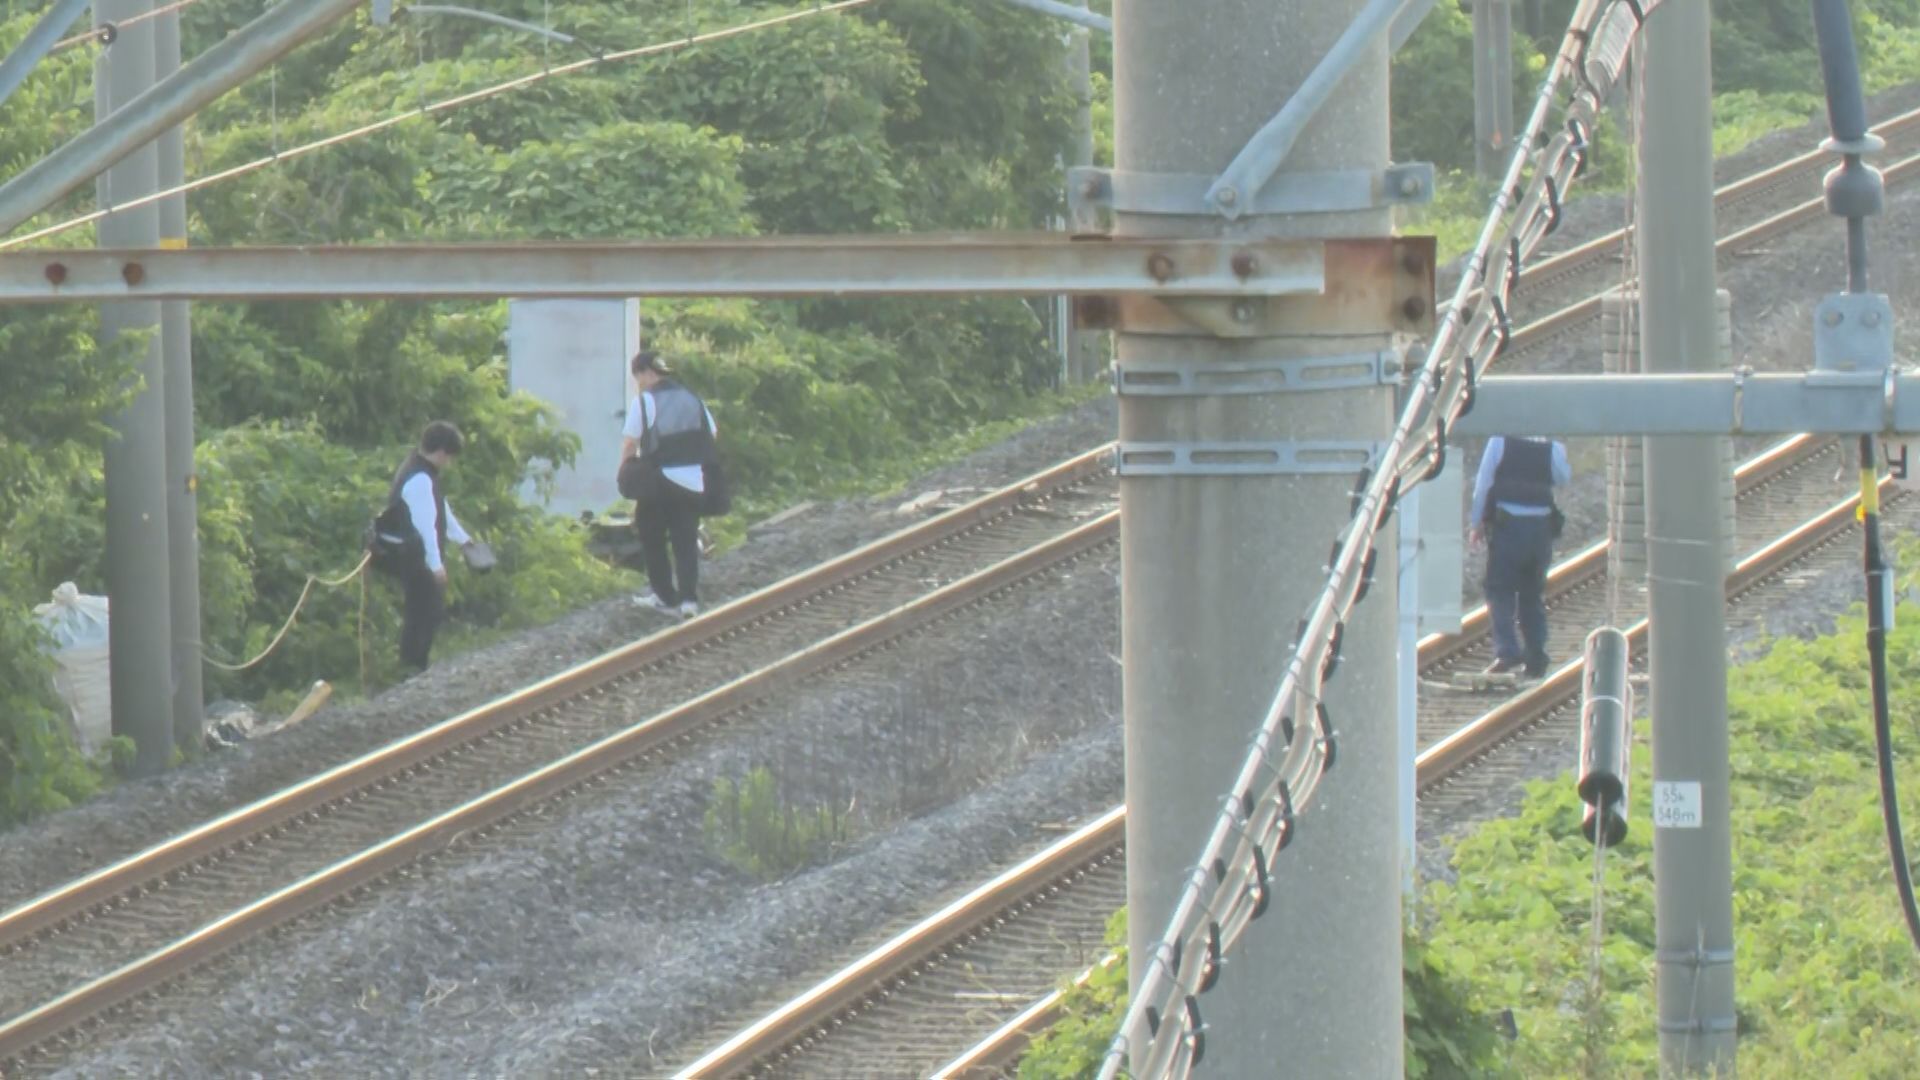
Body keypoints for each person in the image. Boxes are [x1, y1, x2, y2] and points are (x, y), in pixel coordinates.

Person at [623, 350, 718, 619]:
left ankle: (664, 595)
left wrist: (625, 469)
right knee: (685, 540)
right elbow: (711, 432)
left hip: (660, 482)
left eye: (638, 376)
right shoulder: (691, 398)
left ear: (645, 373)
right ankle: (688, 600)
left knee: (651, 536)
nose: (638, 382)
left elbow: (630, 442)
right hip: (693, 481)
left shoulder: (645, 401)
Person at [1469, 434, 1571, 679]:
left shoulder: (1499, 441)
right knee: (1531, 593)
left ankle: (1507, 652)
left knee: (1499, 589)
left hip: (1508, 527)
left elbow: (1483, 484)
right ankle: (1536, 656)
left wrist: (1476, 523)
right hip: (1540, 529)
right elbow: (1563, 478)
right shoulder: (1552, 446)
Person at [387, 421, 480, 671]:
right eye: (449, 456)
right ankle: (412, 667)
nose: (448, 462)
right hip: (416, 558)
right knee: (423, 614)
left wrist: (462, 538)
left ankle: (415, 666)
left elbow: (441, 509)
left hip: (414, 556)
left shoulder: (420, 471)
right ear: (441, 452)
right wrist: (435, 565)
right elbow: (425, 526)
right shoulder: (420, 479)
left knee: (425, 612)